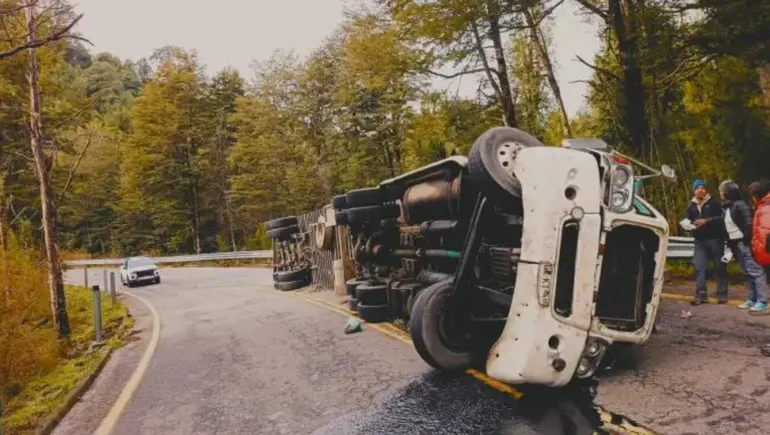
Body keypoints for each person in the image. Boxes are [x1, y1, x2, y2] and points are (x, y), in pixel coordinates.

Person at [719, 180, 767, 313]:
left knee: (756, 271)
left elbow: (748, 224)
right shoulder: (726, 207)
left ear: (727, 192)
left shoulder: (740, 205)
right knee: (747, 272)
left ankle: (762, 301)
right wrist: (729, 247)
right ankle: (752, 299)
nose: (721, 193)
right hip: (735, 244)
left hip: (744, 242)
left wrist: (746, 242)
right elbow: (727, 228)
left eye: (722, 190)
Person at [685, 179, 727, 305]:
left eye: (702, 187)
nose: (700, 190)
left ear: (706, 189)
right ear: (694, 190)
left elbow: (721, 218)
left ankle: (722, 294)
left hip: (715, 239)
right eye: (697, 188)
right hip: (699, 241)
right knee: (699, 267)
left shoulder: (714, 202)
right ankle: (701, 295)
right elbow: (688, 219)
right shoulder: (691, 205)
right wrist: (688, 225)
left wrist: (706, 221)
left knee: (719, 267)